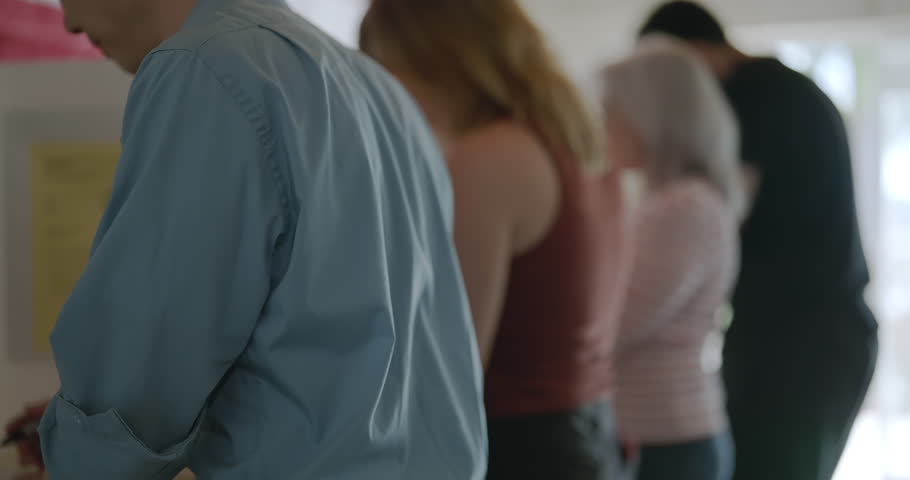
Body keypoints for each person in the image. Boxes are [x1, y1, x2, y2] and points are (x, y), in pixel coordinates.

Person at [4, 0, 488, 477]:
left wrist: (84, 443)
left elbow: (139, 380)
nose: (66, 21)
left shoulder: (204, 69)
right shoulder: (382, 91)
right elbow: (339, 357)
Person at [360, 1, 632, 478]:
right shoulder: (580, 141)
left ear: (435, 60)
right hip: (588, 431)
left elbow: (452, 367)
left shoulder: (489, 157)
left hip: (520, 446)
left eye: (387, 70)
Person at [638, 3, 879, 479]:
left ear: (696, 52)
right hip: (813, 334)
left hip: (801, 342)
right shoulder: (785, 90)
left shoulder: (754, 96)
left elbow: (721, 216)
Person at [602, 39, 748, 480]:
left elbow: (615, 323)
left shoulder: (683, 207)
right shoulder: (676, 202)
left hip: (666, 442)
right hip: (660, 436)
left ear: (652, 115)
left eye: (613, 109)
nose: (603, 123)